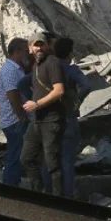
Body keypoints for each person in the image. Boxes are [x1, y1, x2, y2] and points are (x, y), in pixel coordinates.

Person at [21, 32, 69, 195]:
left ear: (47, 46)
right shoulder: (36, 66)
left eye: (42, 44)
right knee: (26, 158)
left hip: (51, 120)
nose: (39, 48)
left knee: (52, 164)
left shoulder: (52, 62)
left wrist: (36, 104)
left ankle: (58, 201)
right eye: (36, 45)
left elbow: (59, 90)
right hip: (37, 120)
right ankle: (39, 193)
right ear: (30, 49)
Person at [54, 37, 91, 199]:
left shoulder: (46, 69)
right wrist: (78, 101)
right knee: (67, 160)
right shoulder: (71, 70)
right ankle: (67, 196)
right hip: (68, 119)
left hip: (49, 121)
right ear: (70, 53)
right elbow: (87, 86)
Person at [0, 38, 32, 186]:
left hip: (16, 120)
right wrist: (22, 117)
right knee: (15, 156)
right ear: (17, 52)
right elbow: (13, 98)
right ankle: (10, 187)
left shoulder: (18, 69)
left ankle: (14, 184)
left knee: (18, 155)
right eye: (26, 51)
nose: (28, 54)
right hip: (14, 121)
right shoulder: (10, 71)